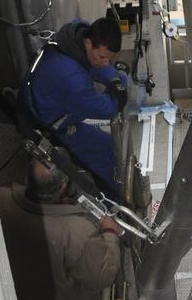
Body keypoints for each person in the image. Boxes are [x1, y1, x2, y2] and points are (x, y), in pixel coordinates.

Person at [0, 156, 120, 300]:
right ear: (62, 187)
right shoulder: (78, 234)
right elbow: (102, 276)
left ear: (27, 179)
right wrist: (110, 233)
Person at [18, 17, 128, 197]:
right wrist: (120, 79)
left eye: (109, 59)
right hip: (48, 124)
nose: (105, 63)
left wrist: (113, 77)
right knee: (108, 155)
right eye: (102, 57)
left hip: (36, 97)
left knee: (108, 144)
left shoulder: (74, 36)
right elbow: (109, 108)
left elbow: (94, 66)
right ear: (88, 43)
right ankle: (116, 202)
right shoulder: (73, 80)